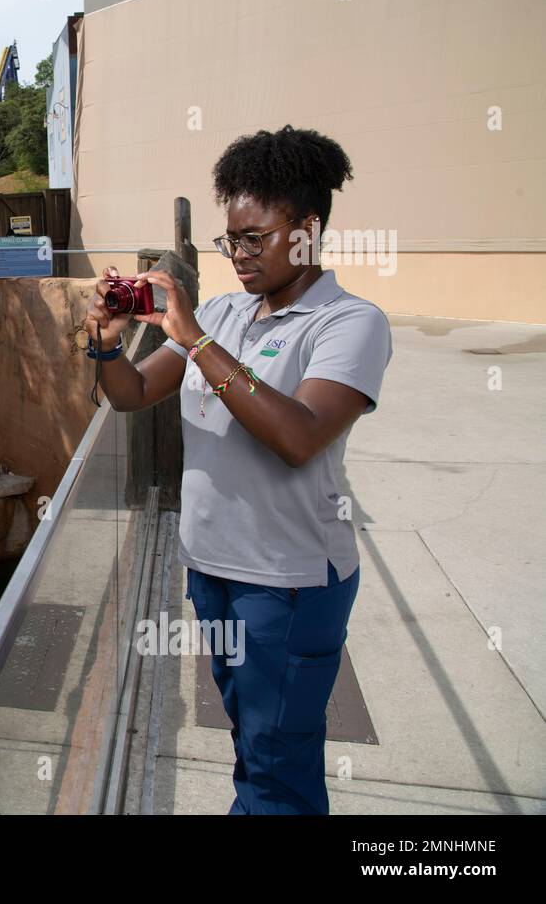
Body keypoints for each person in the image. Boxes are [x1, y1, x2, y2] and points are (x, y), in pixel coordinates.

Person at [82, 125, 393, 814]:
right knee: (255, 750)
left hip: (285, 584)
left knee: (278, 771)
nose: (238, 256)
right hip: (213, 571)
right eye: (230, 240)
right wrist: (105, 348)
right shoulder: (223, 311)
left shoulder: (348, 323)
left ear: (307, 231)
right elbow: (132, 396)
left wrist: (195, 341)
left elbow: (298, 434)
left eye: (255, 238)